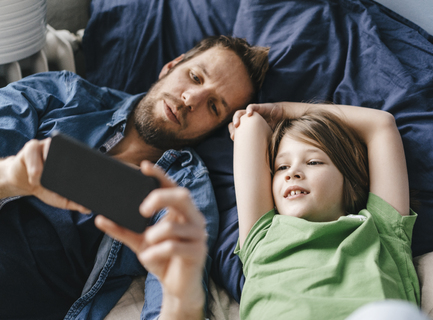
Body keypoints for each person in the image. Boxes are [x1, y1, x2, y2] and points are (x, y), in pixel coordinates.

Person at [0, 35, 269, 320]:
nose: (191, 99)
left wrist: (182, 296)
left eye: (214, 106)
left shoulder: (184, 192)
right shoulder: (62, 93)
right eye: (195, 77)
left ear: (216, 128)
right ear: (171, 66)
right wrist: (12, 176)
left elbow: (170, 301)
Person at [227, 102, 421, 319]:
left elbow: (381, 125)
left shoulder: (382, 228)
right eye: (282, 167)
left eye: (313, 162)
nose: (293, 173)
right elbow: (251, 124)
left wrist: (282, 111)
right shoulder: (261, 236)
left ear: (350, 181)